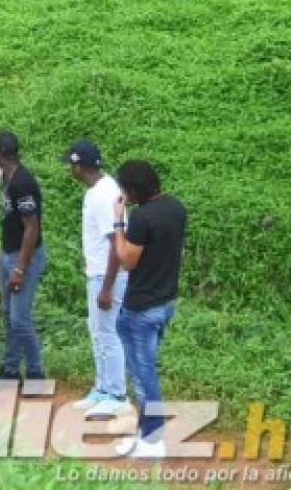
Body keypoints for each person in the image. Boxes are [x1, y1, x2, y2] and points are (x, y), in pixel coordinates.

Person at [111, 160, 187, 459]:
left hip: (141, 308)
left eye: (124, 189)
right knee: (145, 370)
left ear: (132, 189)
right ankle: (145, 434)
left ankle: (153, 440)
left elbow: (126, 260)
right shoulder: (176, 207)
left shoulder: (141, 218)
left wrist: (119, 222)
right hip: (165, 301)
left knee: (144, 376)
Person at [64, 140, 129, 419]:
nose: (69, 169)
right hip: (99, 271)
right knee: (97, 331)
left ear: (79, 166)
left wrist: (106, 287)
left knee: (108, 333)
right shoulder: (101, 189)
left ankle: (117, 395)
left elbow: (116, 244)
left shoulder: (102, 195)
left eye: (71, 164)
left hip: (107, 275)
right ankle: (103, 389)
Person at [0, 131, 46, 382]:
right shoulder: (9, 178)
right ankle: (10, 370)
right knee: (10, 317)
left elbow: (32, 227)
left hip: (24, 257)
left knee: (19, 319)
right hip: (9, 253)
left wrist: (20, 268)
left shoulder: (22, 182)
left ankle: (35, 371)